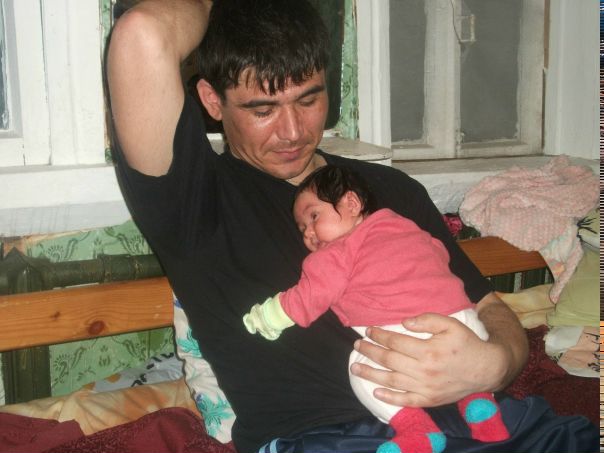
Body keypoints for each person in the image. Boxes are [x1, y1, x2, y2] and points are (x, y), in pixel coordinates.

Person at [105, 0, 597, 452]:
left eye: (308, 100)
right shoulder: (193, 201)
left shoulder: (390, 189)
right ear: (213, 101)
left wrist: (497, 363)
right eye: (263, 109)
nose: (292, 131)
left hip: (489, 424)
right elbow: (142, 32)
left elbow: (487, 305)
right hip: (329, 438)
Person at [243, 165, 510, 453]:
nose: (308, 233)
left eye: (314, 216)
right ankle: (479, 404)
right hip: (467, 327)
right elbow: (439, 253)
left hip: (409, 331)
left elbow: (310, 296)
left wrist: (267, 317)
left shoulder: (338, 251)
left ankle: (418, 430)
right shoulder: (405, 226)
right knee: (470, 372)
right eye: (302, 228)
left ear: (352, 203)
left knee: (361, 367)